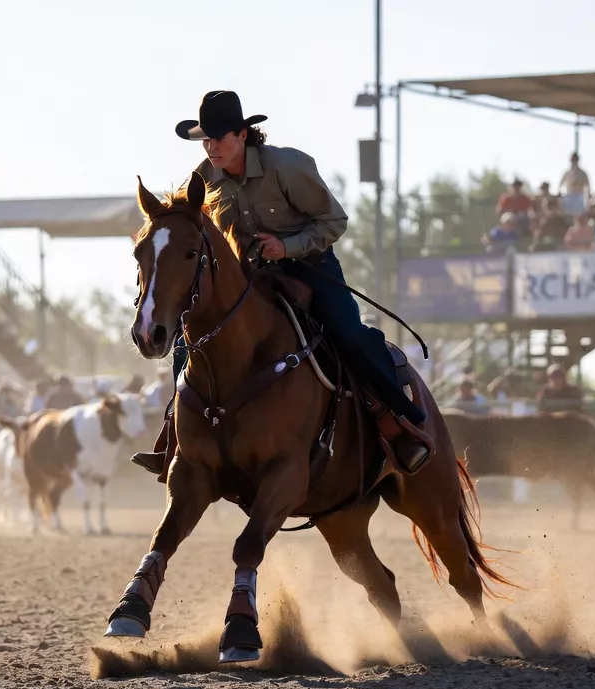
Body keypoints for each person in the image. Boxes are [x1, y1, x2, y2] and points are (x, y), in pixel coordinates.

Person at [131, 90, 433, 477]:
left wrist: (286, 246)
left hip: (312, 266)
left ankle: (400, 423)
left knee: (348, 334)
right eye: (206, 140)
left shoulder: (288, 166)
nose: (211, 148)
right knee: (188, 344)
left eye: (218, 138)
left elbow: (333, 222)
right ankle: (175, 439)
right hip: (252, 277)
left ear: (243, 134)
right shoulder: (205, 178)